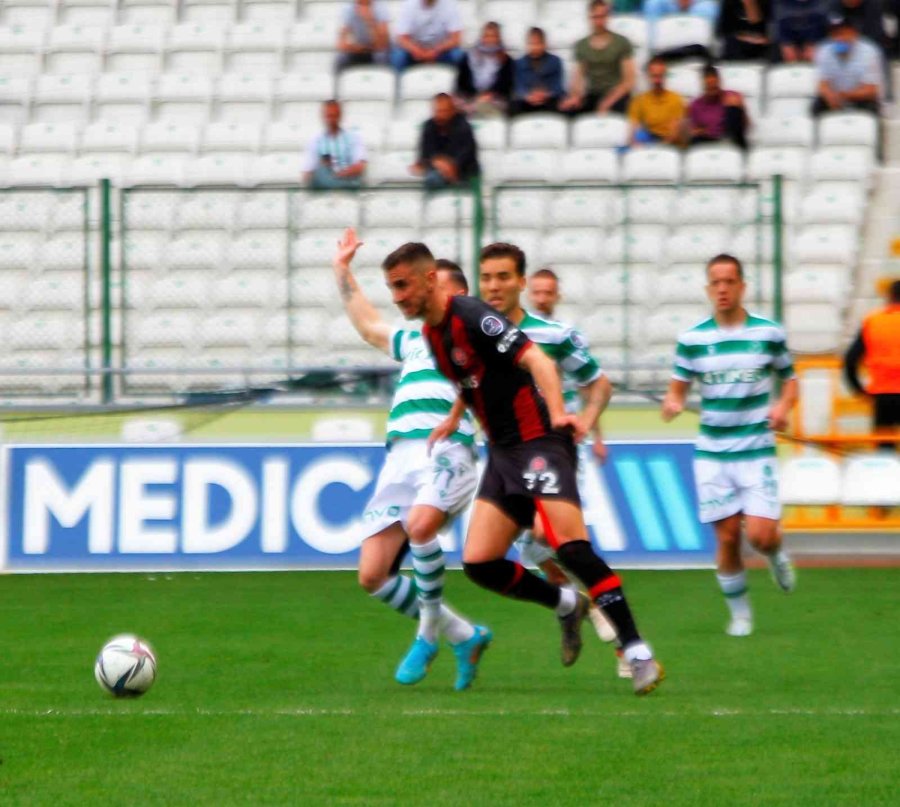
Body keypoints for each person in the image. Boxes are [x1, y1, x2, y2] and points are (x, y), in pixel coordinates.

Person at [378, 240, 664, 695]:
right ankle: (567, 603)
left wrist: (557, 417)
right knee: (480, 563)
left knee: (569, 547)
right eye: (391, 288)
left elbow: (538, 360)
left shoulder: (472, 315)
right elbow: (470, 379)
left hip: (538, 441)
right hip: (502, 452)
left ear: (430, 279)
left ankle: (636, 651)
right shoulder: (433, 333)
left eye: (402, 286)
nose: (396, 298)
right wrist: (455, 417)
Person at [330, 228, 492, 690]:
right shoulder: (417, 339)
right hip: (400, 455)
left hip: (447, 446)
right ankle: (465, 634)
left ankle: (426, 636)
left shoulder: (473, 330)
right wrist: (341, 271)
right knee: (372, 575)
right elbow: (369, 326)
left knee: (421, 528)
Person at [482, 253, 628, 678]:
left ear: (521, 282)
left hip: (550, 451)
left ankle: (616, 633)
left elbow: (598, 383)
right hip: (503, 456)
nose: (493, 286)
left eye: (503, 277)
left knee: (550, 534)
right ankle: (577, 610)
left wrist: (585, 421)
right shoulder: (474, 333)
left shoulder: (555, 334)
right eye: (486, 278)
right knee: (529, 548)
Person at [661, 254, 799, 638]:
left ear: (742, 286)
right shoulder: (693, 339)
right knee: (726, 536)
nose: (722, 289)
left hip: (756, 452)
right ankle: (740, 615)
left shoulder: (768, 334)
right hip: (713, 454)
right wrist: (673, 403)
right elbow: (677, 390)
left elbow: (790, 381)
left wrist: (783, 406)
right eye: (715, 283)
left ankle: (775, 555)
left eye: (729, 282)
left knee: (760, 535)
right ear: (708, 288)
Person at [843, 279, 900, 449]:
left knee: (885, 451)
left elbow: (850, 359)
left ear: (889, 297)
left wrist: (858, 389)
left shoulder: (873, 321)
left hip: (883, 394)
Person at [559, 0, 636, 116]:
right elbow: (578, 76)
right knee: (568, 109)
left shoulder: (622, 42)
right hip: (593, 94)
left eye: (602, 16)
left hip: (617, 94)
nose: (599, 21)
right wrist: (575, 96)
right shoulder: (582, 45)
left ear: (608, 17)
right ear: (589, 18)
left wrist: (608, 101)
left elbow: (629, 81)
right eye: (595, 17)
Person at [811, 15, 882, 115]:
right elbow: (822, 84)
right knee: (816, 107)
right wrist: (830, 96)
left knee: (871, 107)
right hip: (834, 97)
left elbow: (871, 90)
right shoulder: (823, 50)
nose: (839, 38)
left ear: (854, 33)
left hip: (860, 98)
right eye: (835, 34)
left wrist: (844, 96)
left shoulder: (870, 51)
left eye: (843, 34)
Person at [410, 93, 480, 189]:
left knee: (434, 178)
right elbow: (425, 155)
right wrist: (438, 163)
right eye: (438, 111)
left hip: (464, 176)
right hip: (436, 172)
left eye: (444, 111)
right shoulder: (429, 126)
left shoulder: (463, 128)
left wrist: (448, 165)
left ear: (453, 111)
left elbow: (465, 156)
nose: (440, 116)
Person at [302, 100, 367, 190]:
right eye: (329, 116)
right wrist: (322, 167)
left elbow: (360, 166)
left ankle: (335, 183)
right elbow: (307, 173)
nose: (331, 120)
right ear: (323, 116)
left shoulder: (353, 138)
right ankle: (334, 183)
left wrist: (337, 176)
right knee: (321, 172)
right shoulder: (315, 141)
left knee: (353, 178)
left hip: (346, 180)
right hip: (327, 182)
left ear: (340, 116)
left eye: (334, 116)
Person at [684, 64, 749, 150]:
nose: (712, 89)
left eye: (715, 85)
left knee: (733, 109)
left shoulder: (732, 96)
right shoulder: (696, 105)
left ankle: (730, 145)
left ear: (719, 82)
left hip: (732, 138)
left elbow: (746, 126)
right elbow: (695, 131)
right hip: (709, 141)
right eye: (709, 86)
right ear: (703, 85)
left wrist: (741, 108)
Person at [455, 21, 513, 117]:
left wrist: (489, 95)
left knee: (487, 106)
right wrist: (476, 96)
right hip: (470, 97)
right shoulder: (468, 57)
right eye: (486, 36)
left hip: (494, 99)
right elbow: (461, 84)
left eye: (493, 36)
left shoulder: (506, 60)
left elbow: (506, 87)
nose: (489, 40)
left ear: (498, 38)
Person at [627, 57, 686, 146]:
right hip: (649, 140)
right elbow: (633, 131)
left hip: (669, 145)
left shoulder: (675, 99)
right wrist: (636, 145)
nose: (658, 81)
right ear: (648, 76)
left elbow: (674, 135)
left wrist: (656, 149)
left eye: (661, 76)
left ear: (665, 76)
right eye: (654, 76)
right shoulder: (639, 100)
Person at [391, 0, 464, 72]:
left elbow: (456, 38)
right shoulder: (408, 4)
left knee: (458, 55)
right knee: (398, 56)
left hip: (441, 51)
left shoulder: (450, 4)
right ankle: (399, 82)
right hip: (414, 52)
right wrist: (420, 52)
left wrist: (435, 51)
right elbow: (402, 38)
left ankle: (457, 82)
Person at [511, 27, 566, 116]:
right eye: (531, 43)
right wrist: (527, 96)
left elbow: (558, 86)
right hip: (527, 100)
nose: (535, 47)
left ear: (544, 44)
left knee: (562, 105)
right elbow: (518, 86)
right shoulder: (519, 63)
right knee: (514, 105)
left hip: (549, 100)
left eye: (538, 43)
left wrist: (546, 94)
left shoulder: (555, 61)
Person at [336, 0, 391, 71]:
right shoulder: (348, 7)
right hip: (358, 48)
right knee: (341, 58)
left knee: (381, 56)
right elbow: (341, 44)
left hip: (375, 49)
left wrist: (369, 20)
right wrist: (358, 48)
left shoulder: (380, 7)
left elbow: (382, 44)